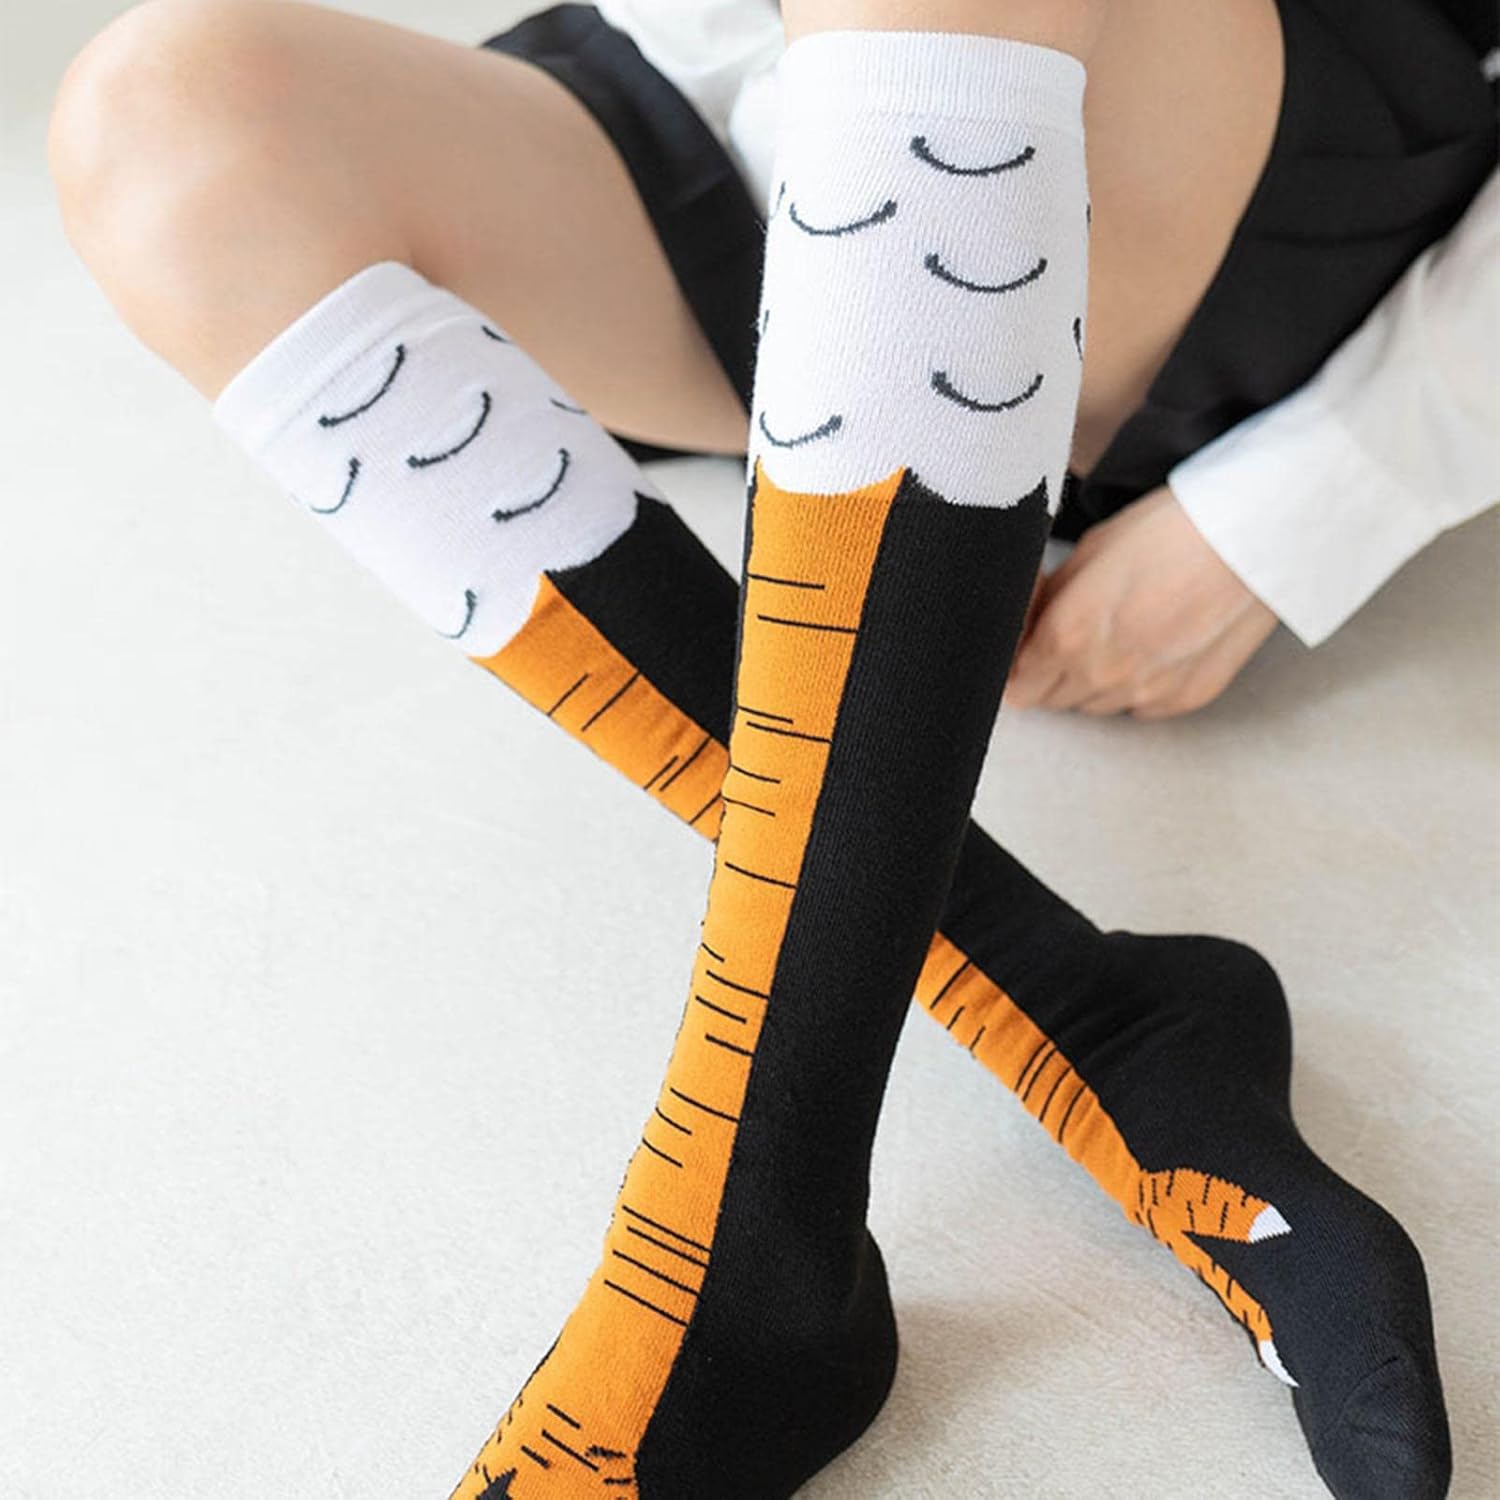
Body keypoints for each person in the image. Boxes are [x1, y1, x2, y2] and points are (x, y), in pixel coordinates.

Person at [45, 1, 1495, 1496]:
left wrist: (1319, 492)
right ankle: (1075, 1007)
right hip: (754, 131)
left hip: (1227, 161)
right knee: (172, 123)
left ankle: (743, 1243)